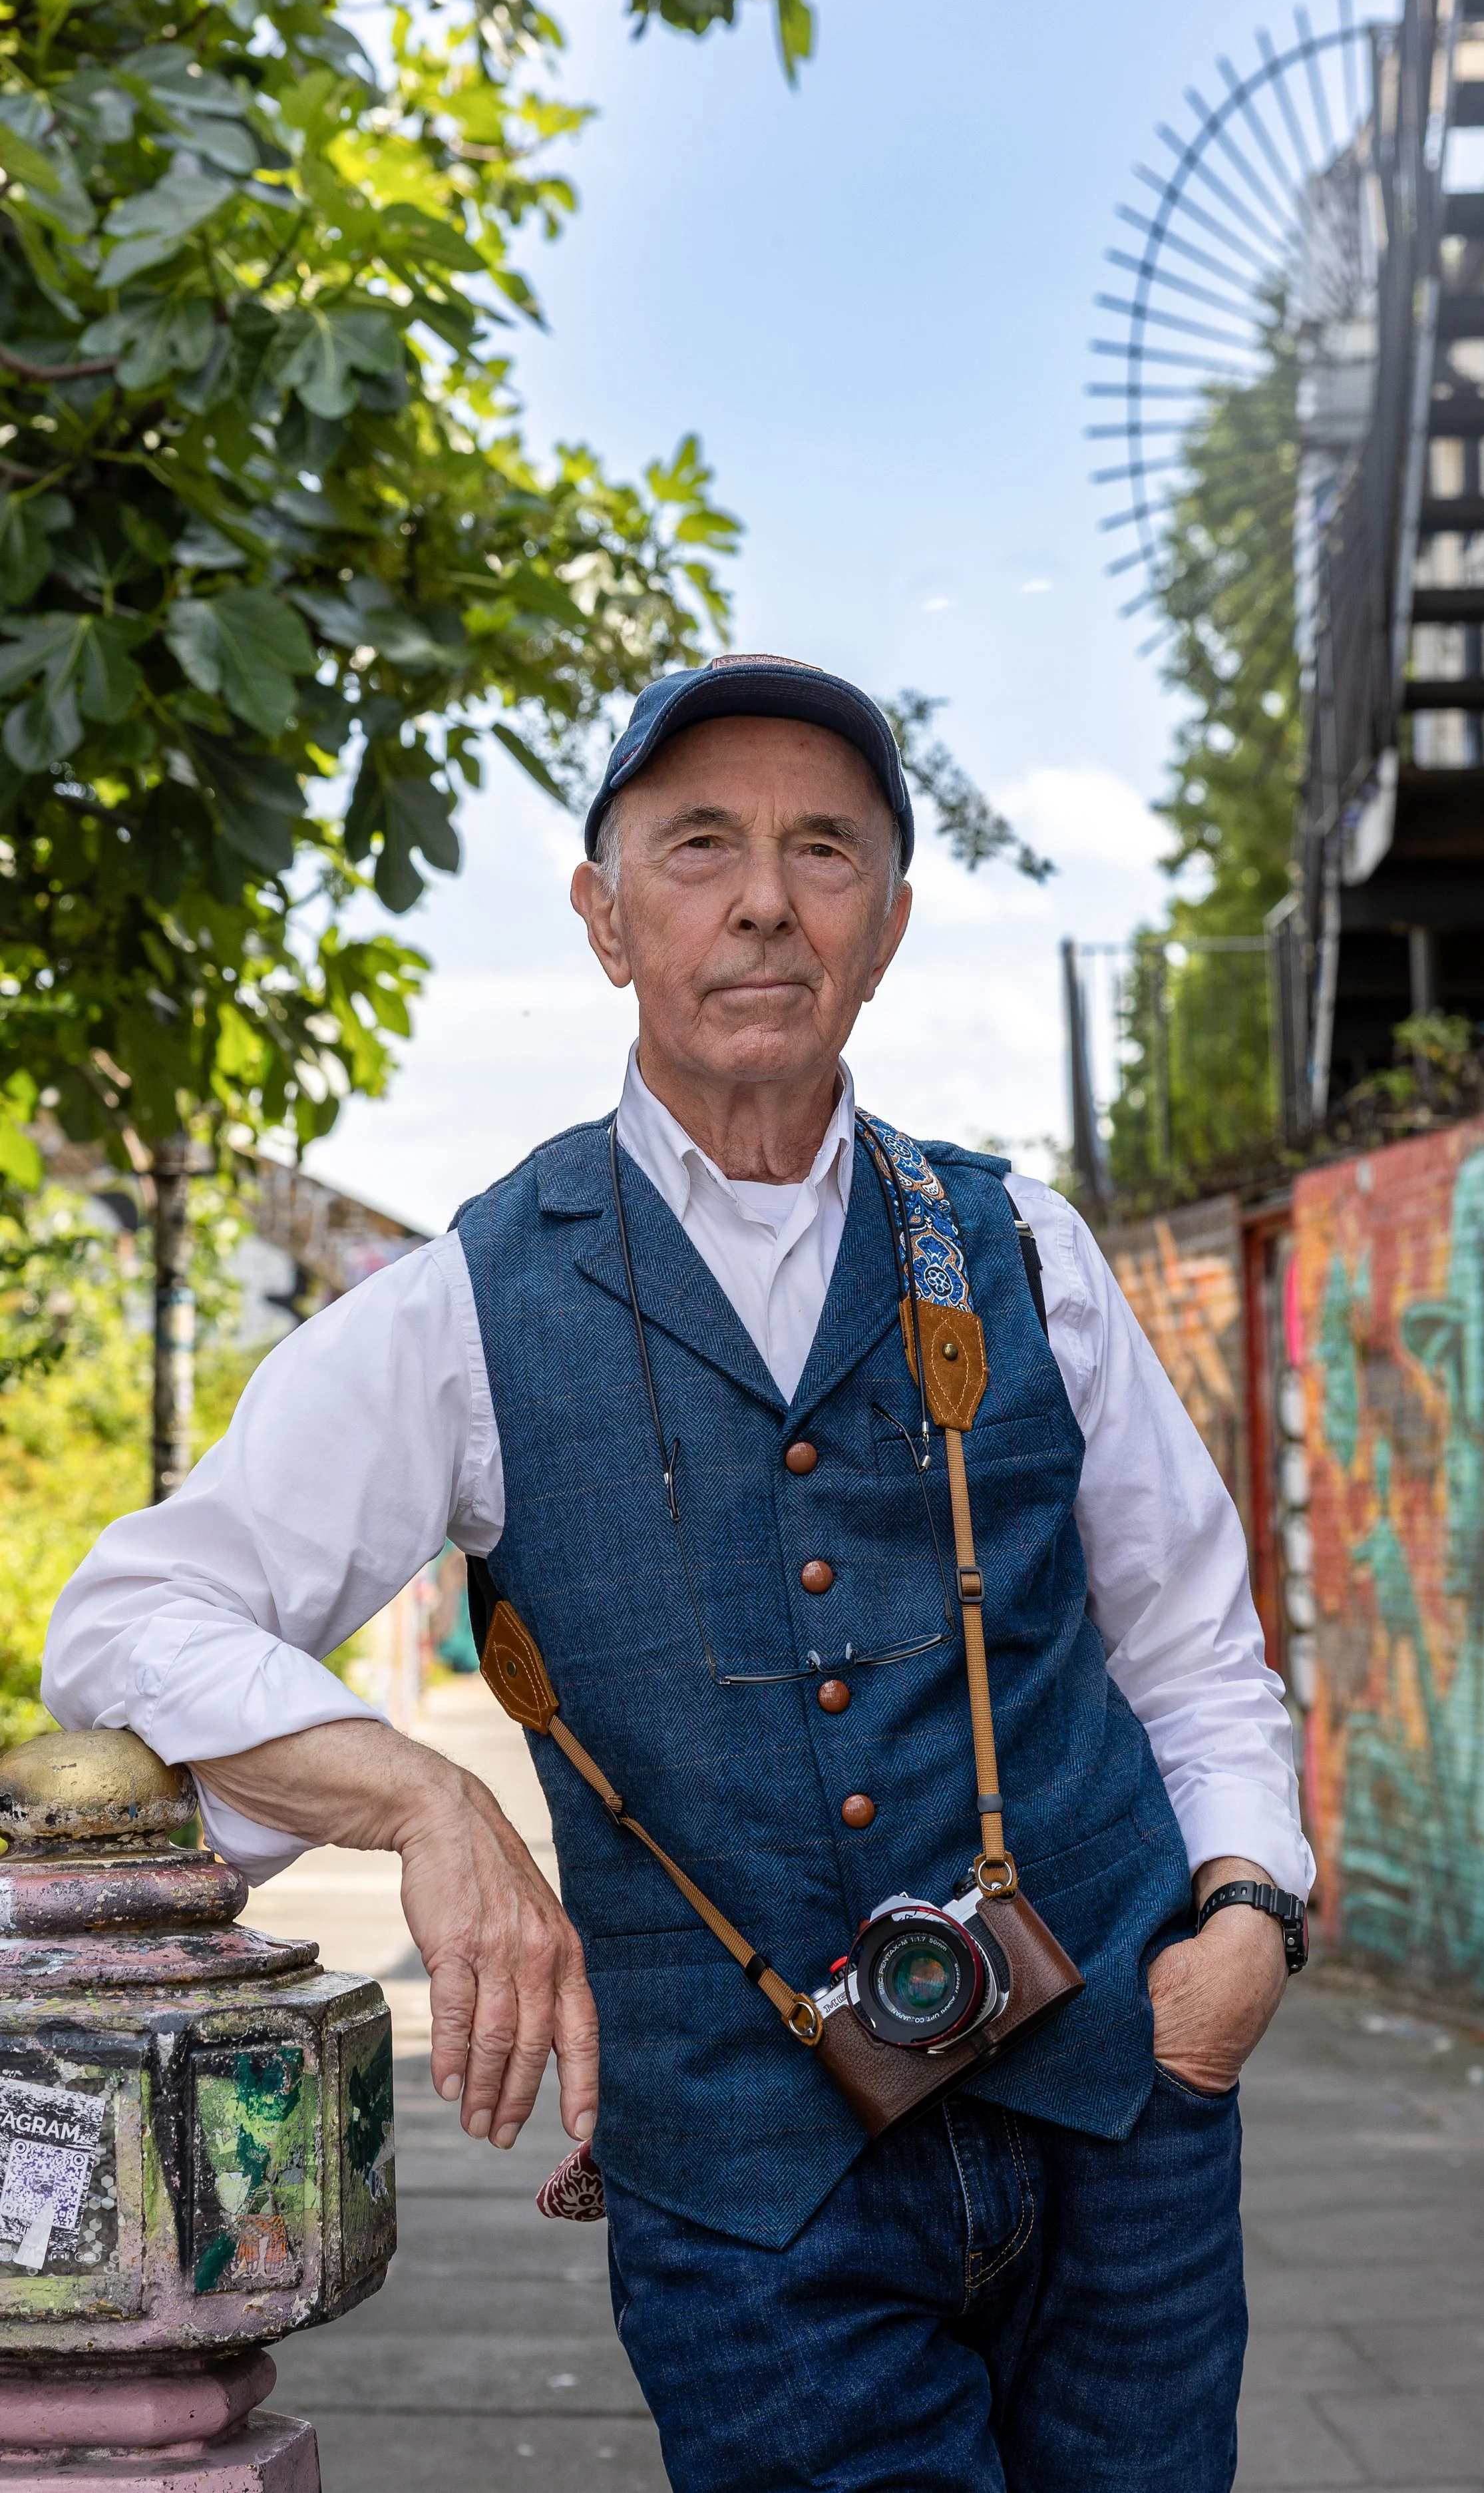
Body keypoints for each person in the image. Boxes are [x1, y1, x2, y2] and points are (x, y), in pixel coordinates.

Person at [47, 655, 1313, 2492]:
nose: (761, 898)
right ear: (603, 912)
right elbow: (124, 1630)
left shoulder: (1016, 1242)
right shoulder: (472, 1301)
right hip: (750, 2197)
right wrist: (418, 1799)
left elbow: (1194, 1649)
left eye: (823, 850)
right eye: (699, 841)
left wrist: (1245, 1935)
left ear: (883, 925)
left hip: (1127, 2102)